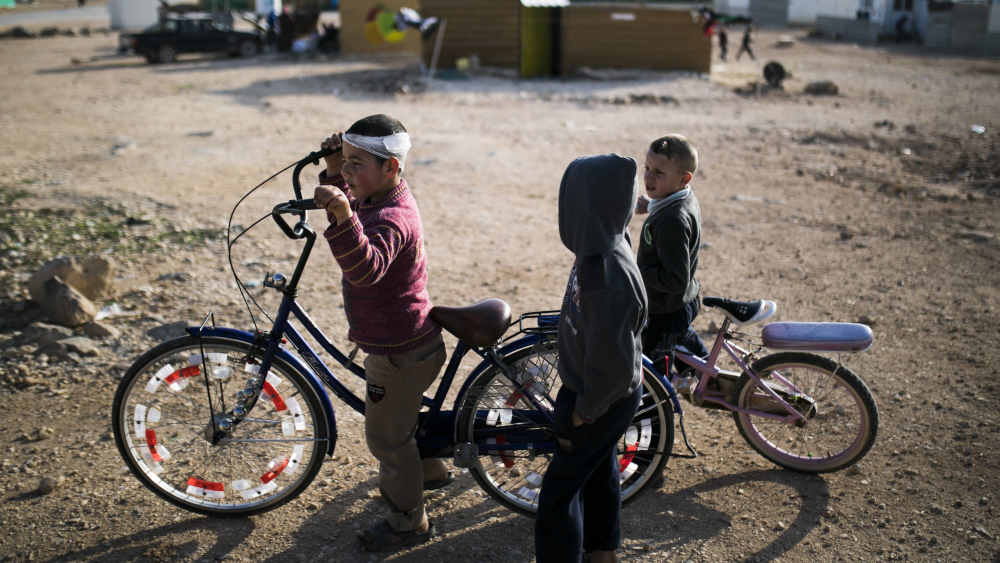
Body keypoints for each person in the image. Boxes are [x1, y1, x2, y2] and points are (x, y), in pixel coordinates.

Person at [312, 114, 452, 553]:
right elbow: (355, 192)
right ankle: (428, 470)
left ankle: (408, 522)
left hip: (401, 353)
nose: (348, 174)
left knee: (387, 438)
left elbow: (366, 270)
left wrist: (339, 211)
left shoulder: (393, 217)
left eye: (357, 164)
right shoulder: (379, 193)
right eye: (346, 163)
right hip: (404, 343)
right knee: (401, 419)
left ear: (391, 167)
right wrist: (338, 169)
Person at [535, 154, 647, 563]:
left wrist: (585, 411)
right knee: (599, 474)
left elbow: (614, 366)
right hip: (592, 387)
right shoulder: (602, 246)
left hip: (600, 397)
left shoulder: (606, 276)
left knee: (558, 496)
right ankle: (603, 552)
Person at [635, 135, 708, 377]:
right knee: (691, 355)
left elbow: (676, 280)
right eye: (647, 168)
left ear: (684, 178)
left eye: (658, 173)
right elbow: (672, 203)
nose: (648, 177)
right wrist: (650, 204)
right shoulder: (679, 197)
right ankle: (706, 376)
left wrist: (638, 274)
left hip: (667, 310)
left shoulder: (672, 220)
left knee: (652, 370)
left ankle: (657, 412)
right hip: (681, 303)